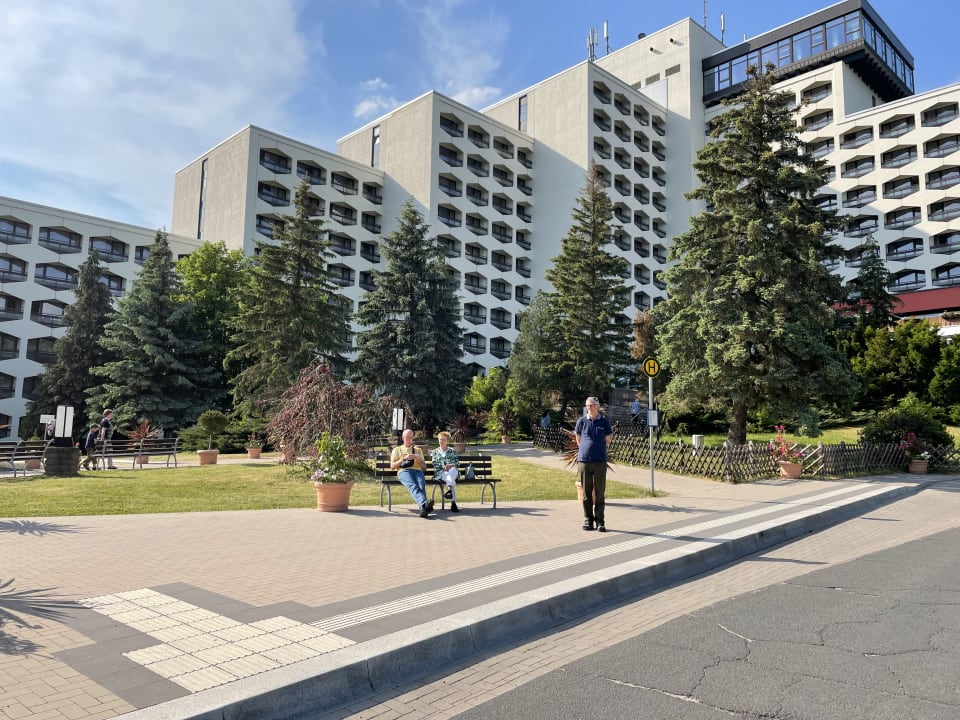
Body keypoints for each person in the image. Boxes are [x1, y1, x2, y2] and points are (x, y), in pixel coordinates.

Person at [574, 396, 613, 532]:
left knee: (600, 492)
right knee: (586, 493)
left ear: (598, 406)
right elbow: (578, 439)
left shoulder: (604, 422)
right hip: (584, 461)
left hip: (600, 461)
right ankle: (588, 521)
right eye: (587, 405)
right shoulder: (581, 421)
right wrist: (586, 449)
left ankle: (600, 522)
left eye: (591, 405)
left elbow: (607, 440)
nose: (589, 408)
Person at [390, 429, 433, 518]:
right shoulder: (397, 450)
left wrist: (418, 460)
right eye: (408, 437)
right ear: (403, 438)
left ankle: (423, 509)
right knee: (413, 486)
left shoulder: (418, 450)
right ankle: (424, 504)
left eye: (411, 437)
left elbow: (424, 468)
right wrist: (404, 459)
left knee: (421, 485)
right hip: (404, 471)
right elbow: (392, 466)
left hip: (417, 471)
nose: (410, 439)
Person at [431, 431, 460, 513]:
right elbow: (434, 463)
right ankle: (453, 502)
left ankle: (449, 490)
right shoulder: (435, 452)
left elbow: (457, 463)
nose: (441, 441)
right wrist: (444, 467)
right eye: (440, 439)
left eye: (443, 440)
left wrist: (451, 465)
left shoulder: (452, 451)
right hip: (441, 473)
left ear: (447, 441)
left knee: (451, 471)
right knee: (450, 477)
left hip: (453, 471)